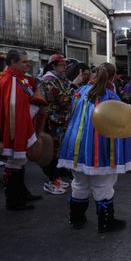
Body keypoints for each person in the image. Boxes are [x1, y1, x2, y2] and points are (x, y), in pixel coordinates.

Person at [57, 62, 131, 232]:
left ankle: (76, 219)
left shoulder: (79, 92)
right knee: (103, 185)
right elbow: (121, 125)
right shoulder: (112, 98)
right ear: (112, 77)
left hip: (77, 147)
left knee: (79, 183)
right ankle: (106, 223)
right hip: (101, 149)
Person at [0, 50, 43, 210]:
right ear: (13, 63)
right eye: (24, 62)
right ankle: (13, 200)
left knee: (20, 161)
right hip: (14, 129)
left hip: (22, 126)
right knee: (14, 162)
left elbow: (31, 87)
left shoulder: (19, 78)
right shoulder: (10, 80)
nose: (28, 64)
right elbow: (13, 111)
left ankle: (21, 193)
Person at [41, 54, 82, 195]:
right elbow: (63, 99)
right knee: (52, 151)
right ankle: (51, 180)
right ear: (53, 65)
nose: (65, 68)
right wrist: (74, 85)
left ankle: (57, 176)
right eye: (62, 65)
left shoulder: (61, 78)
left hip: (63, 119)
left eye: (65, 65)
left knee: (60, 149)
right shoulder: (48, 80)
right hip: (53, 120)